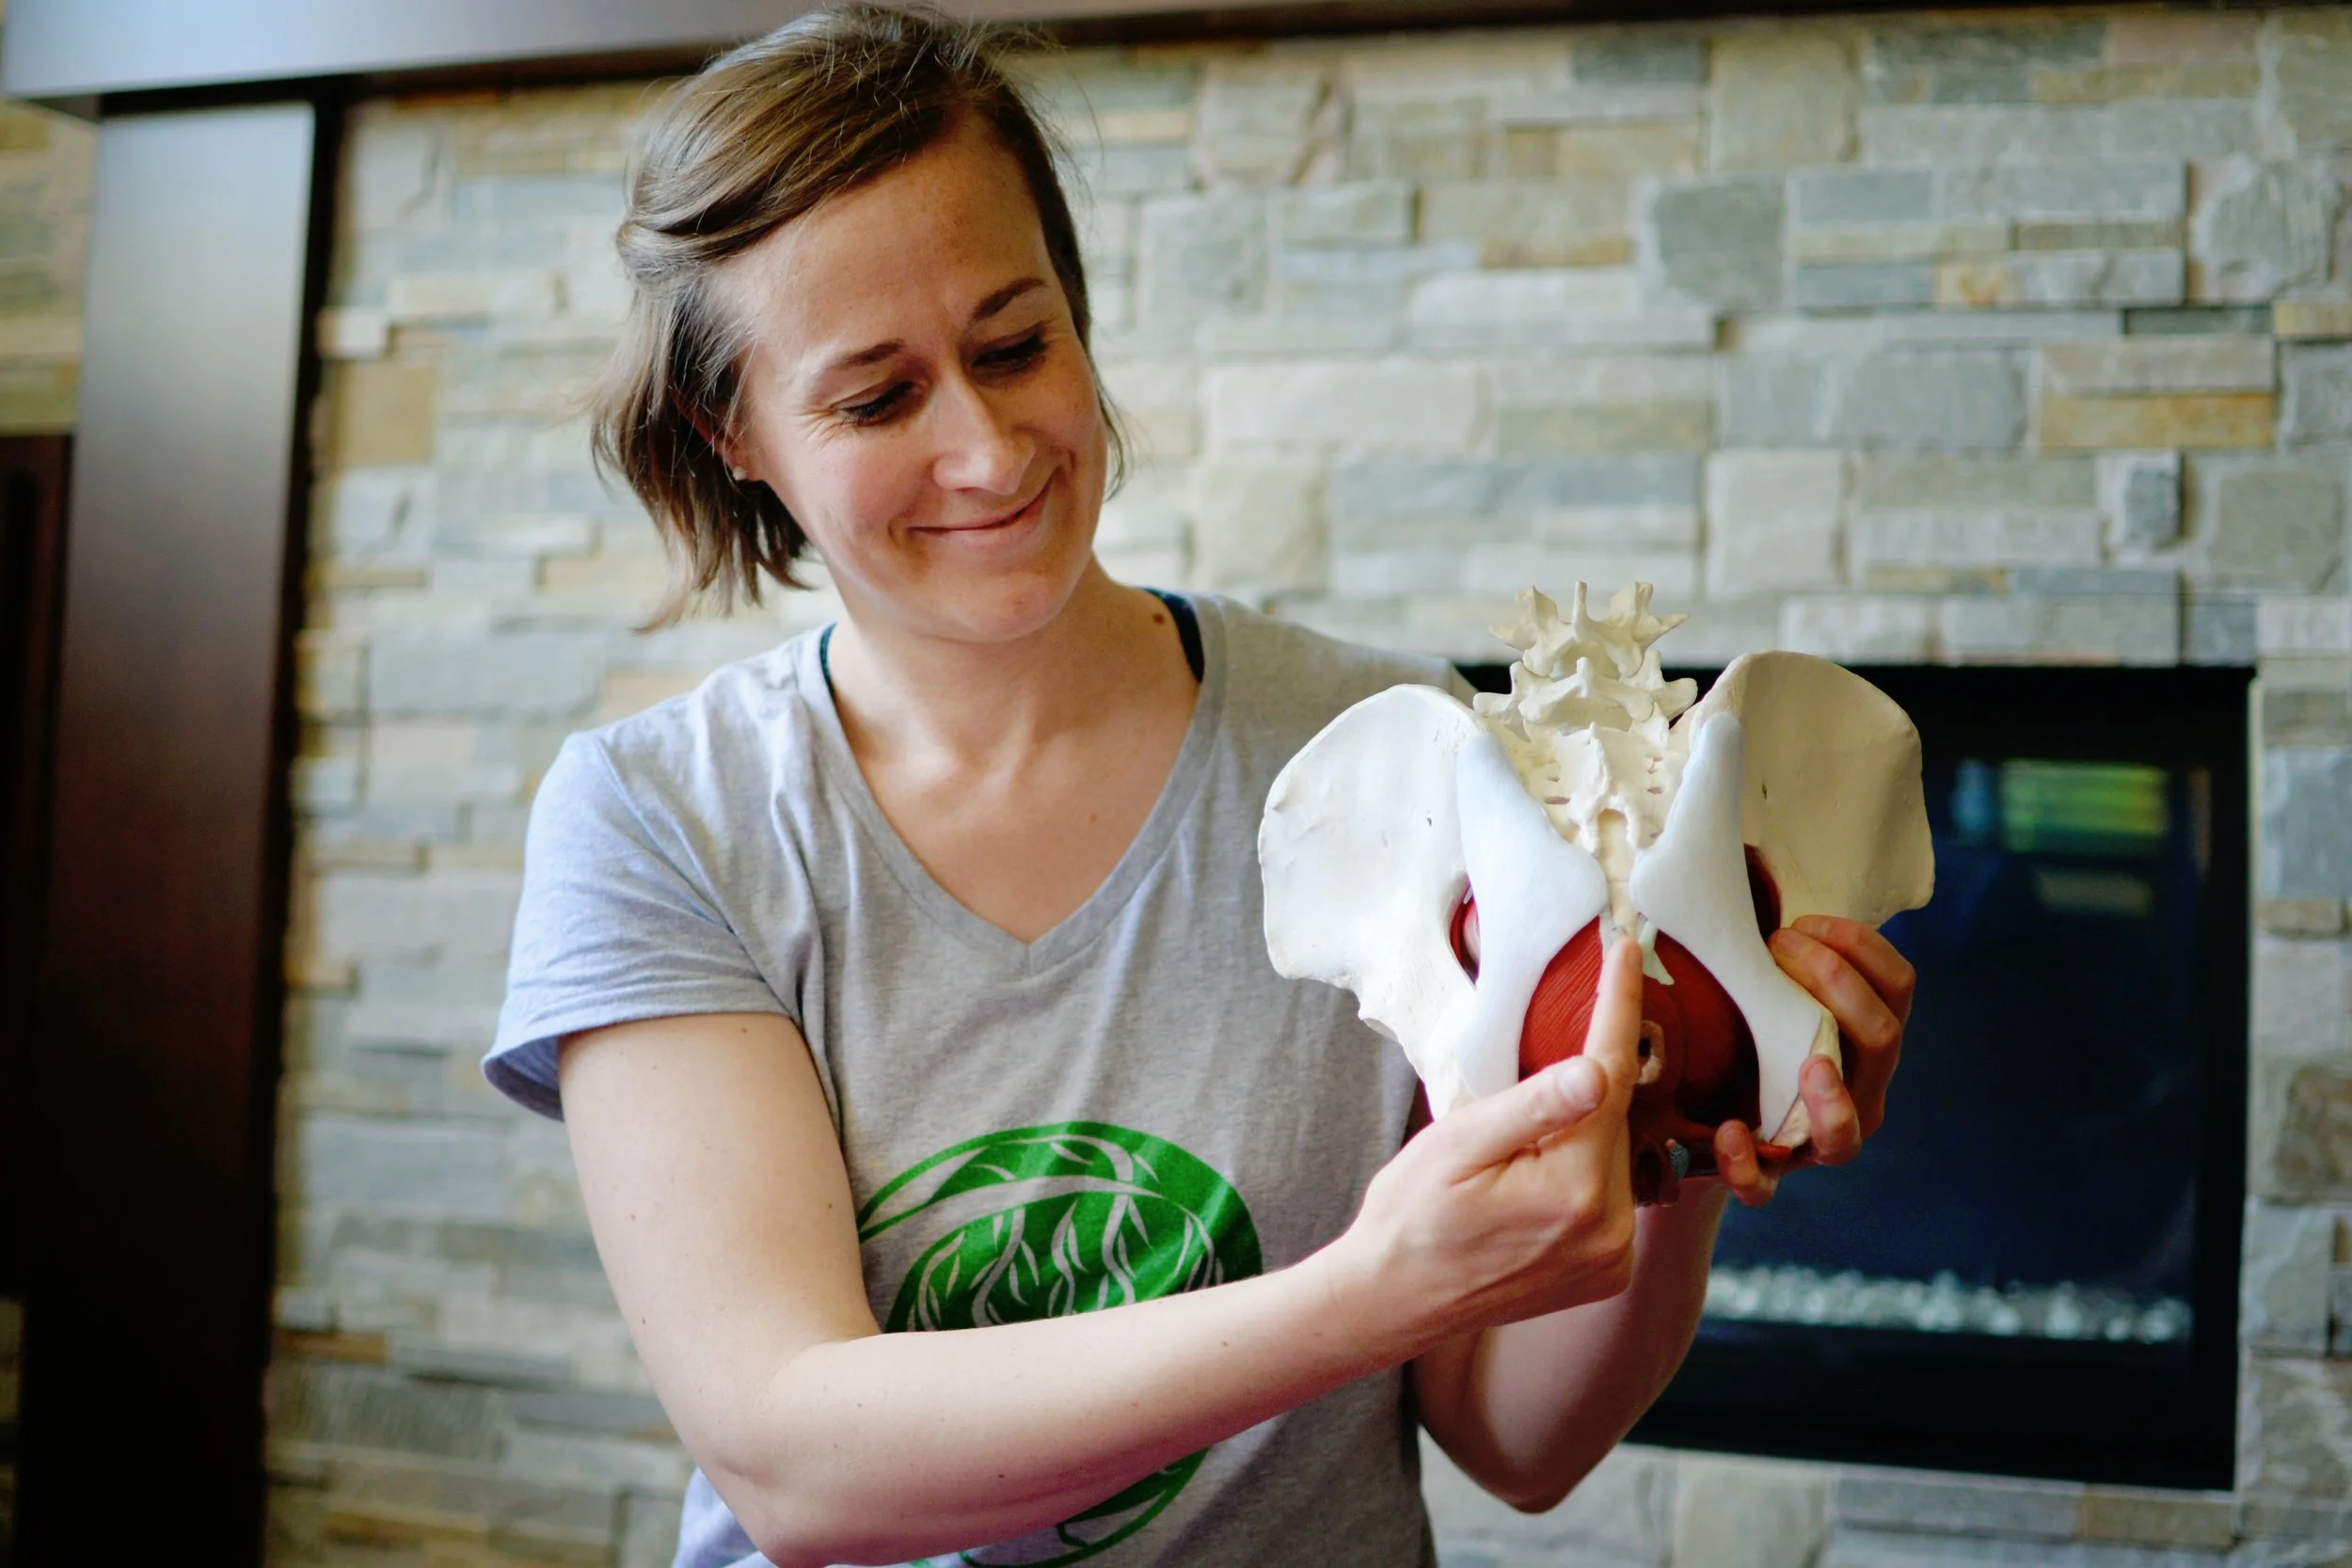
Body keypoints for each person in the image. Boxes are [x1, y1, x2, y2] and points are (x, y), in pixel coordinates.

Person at [483, 8, 1915, 1567]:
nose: (987, 451)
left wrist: (1681, 1129)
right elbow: (800, 1466)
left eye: (1016, 346)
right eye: (876, 399)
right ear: (733, 433)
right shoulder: (660, 818)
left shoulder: (1405, 755)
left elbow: (1514, 1440)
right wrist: (1360, 1295)